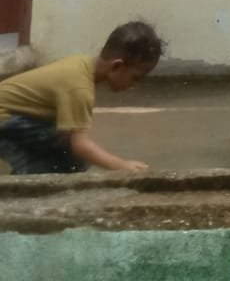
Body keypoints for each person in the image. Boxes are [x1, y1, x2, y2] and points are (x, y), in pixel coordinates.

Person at [0, 21, 164, 175]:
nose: (134, 85)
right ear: (116, 66)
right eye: (135, 78)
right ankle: (23, 187)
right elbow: (81, 145)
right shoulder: (79, 88)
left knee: (71, 157)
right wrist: (123, 166)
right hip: (5, 119)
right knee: (43, 166)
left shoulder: (82, 63)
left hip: (14, 115)